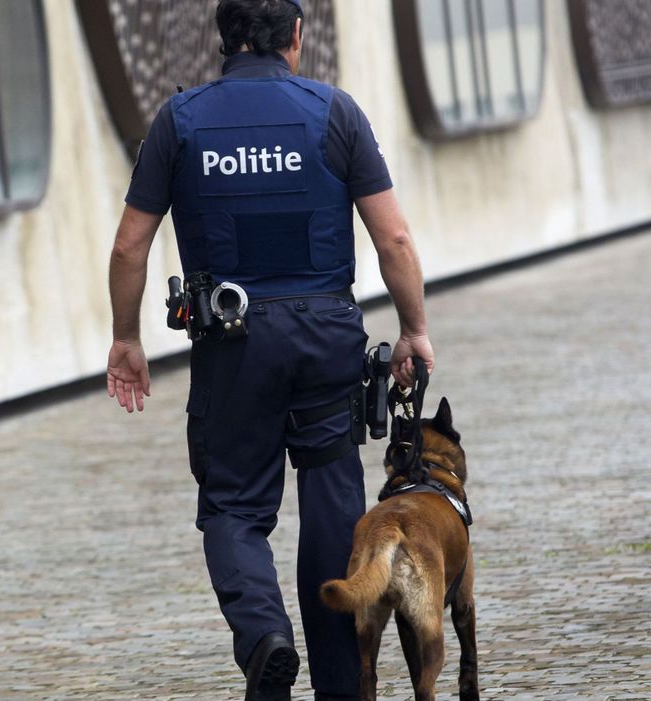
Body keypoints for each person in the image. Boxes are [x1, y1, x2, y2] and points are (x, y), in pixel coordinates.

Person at [104, 1, 434, 699]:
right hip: (327, 337)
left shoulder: (180, 120)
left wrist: (127, 337)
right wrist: (414, 328)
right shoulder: (334, 112)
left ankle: (264, 637)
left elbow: (131, 242)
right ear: (296, 39)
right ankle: (342, 686)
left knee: (232, 508)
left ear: (223, 43)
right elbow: (395, 240)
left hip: (233, 341)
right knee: (333, 508)